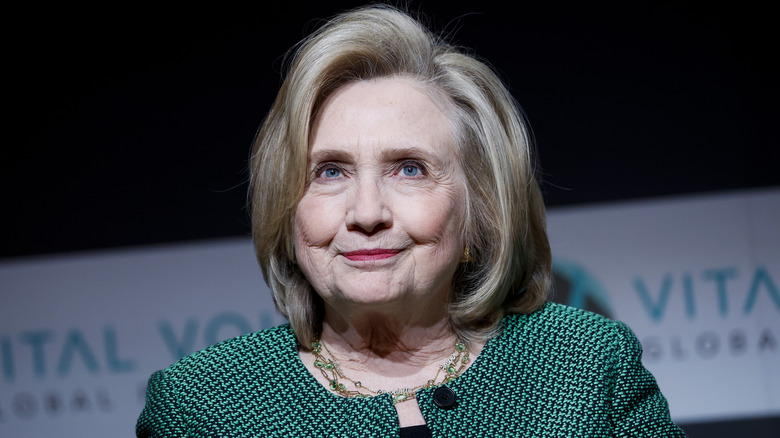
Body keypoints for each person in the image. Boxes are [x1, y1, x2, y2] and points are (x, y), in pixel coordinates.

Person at [136, 5, 686, 437]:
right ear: (286, 206)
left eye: (410, 168)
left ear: (481, 207)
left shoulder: (586, 365)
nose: (368, 213)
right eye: (329, 172)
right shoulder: (199, 405)